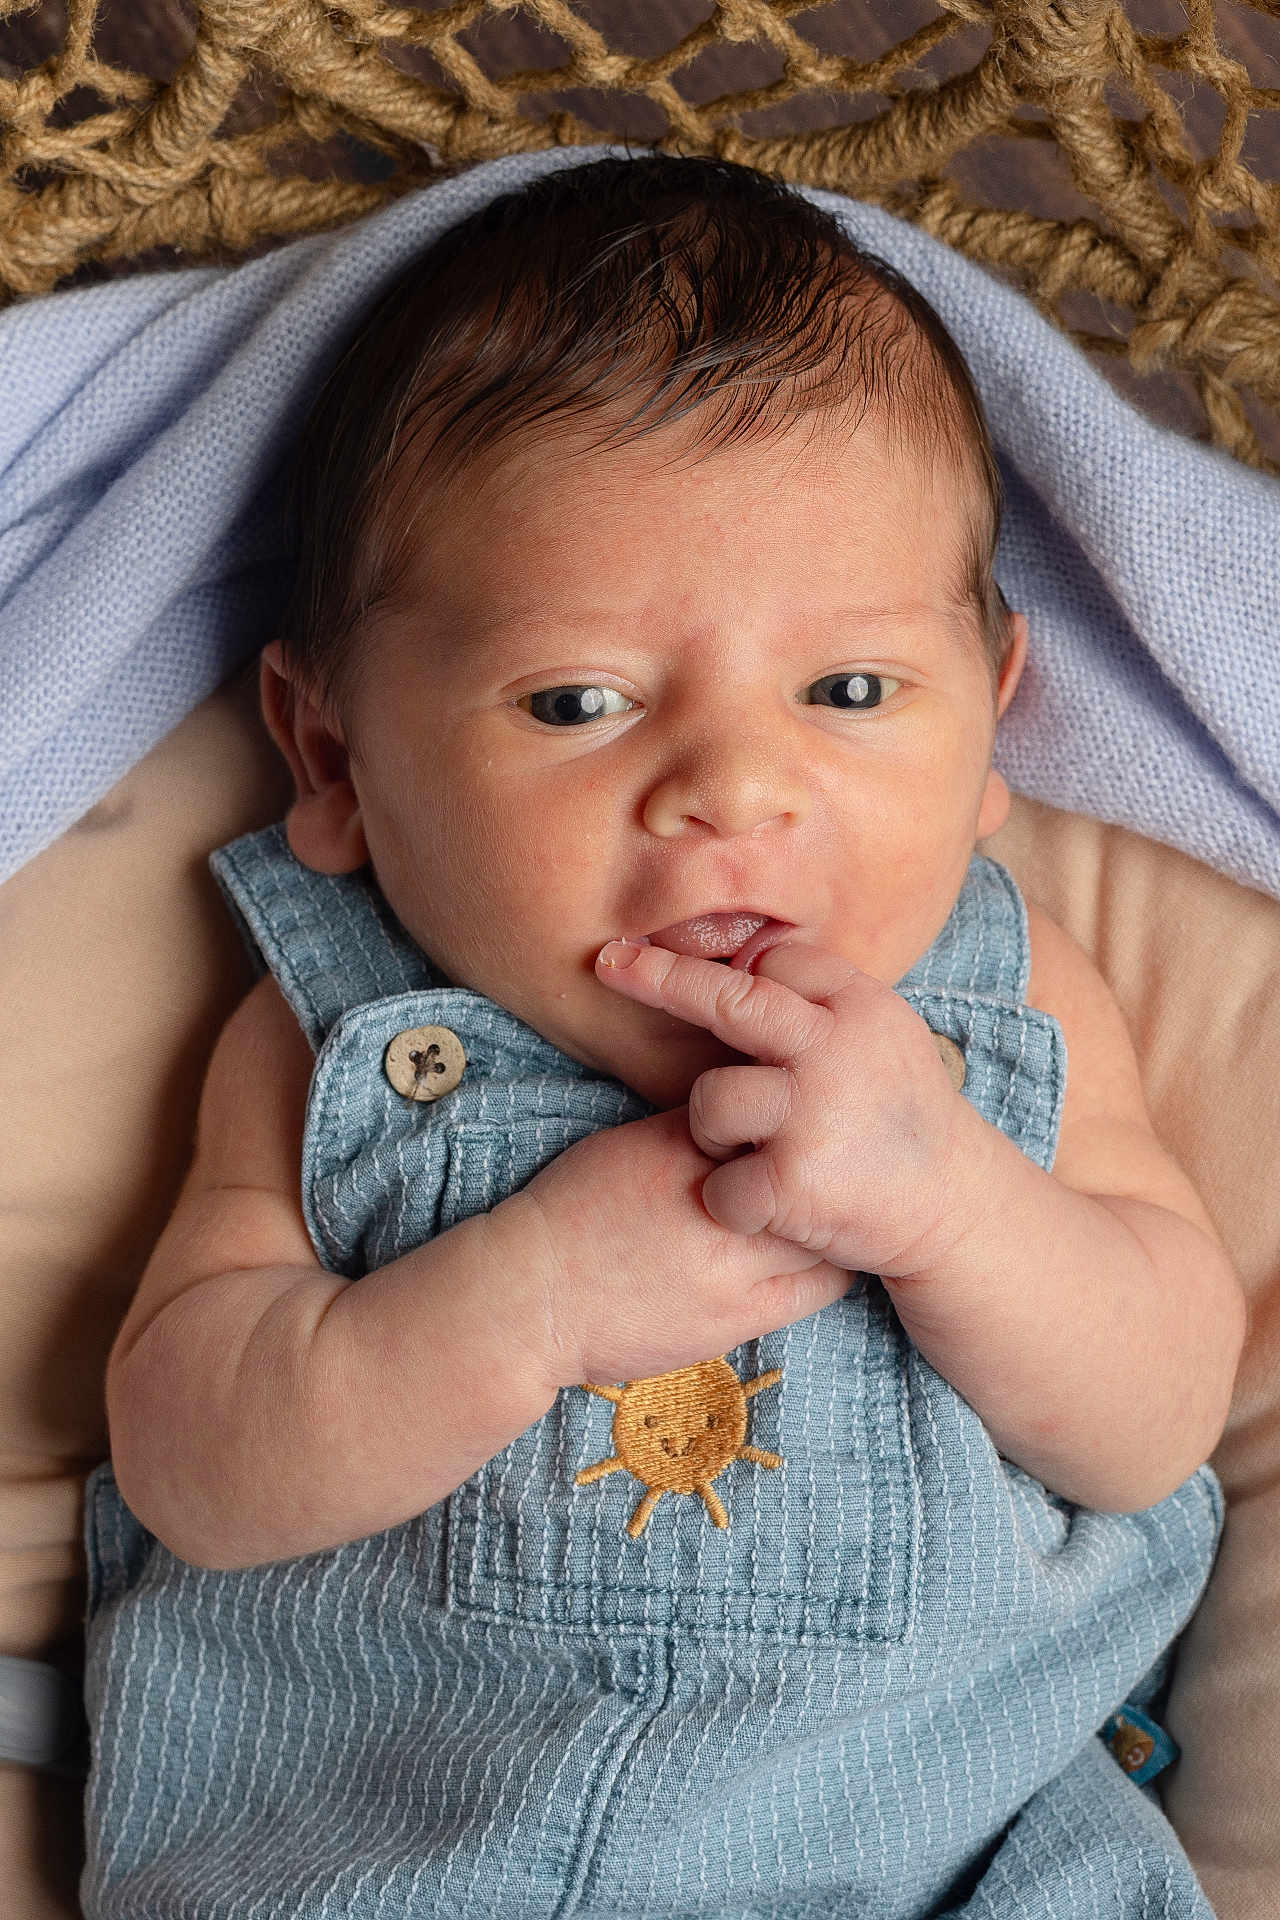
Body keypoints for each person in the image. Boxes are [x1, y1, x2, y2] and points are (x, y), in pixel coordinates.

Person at [81, 154, 1245, 1917]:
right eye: (579, 702)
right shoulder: (341, 1039)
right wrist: (520, 1300)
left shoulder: (1009, 1009)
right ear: (332, 760)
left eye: (849, 692)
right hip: (391, 1865)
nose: (734, 786)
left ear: (995, 717)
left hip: (944, 1854)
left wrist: (952, 1211)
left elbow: (1156, 1419)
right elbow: (192, 1461)